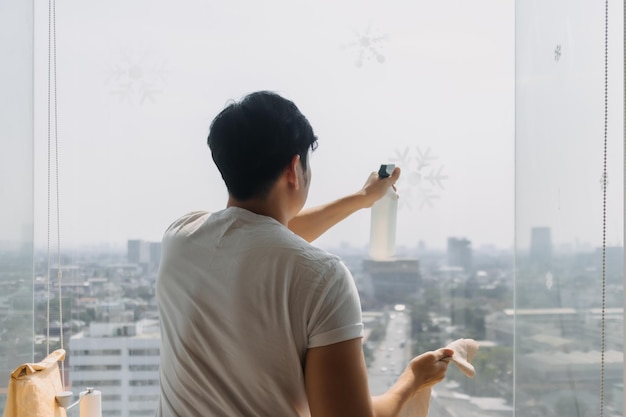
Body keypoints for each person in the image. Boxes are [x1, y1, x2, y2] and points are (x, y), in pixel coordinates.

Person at [155, 90, 453, 417]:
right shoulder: (323, 278)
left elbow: (262, 238)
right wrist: (413, 379)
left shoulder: (180, 237)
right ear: (294, 169)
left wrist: (362, 198)